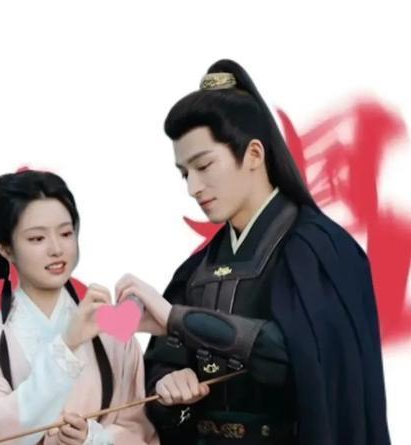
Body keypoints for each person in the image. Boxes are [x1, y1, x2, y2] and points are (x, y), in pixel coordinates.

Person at [115, 59, 391, 444]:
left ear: (254, 154)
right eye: (184, 173)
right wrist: (169, 383)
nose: (193, 187)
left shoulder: (319, 251)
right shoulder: (196, 270)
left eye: (204, 165)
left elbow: (305, 361)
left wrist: (177, 318)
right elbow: (162, 362)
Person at [0, 170, 158, 445]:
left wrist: (94, 439)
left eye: (66, 233)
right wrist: (67, 345)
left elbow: (140, 430)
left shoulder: (113, 333)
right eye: (37, 238)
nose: (57, 249)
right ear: (5, 248)